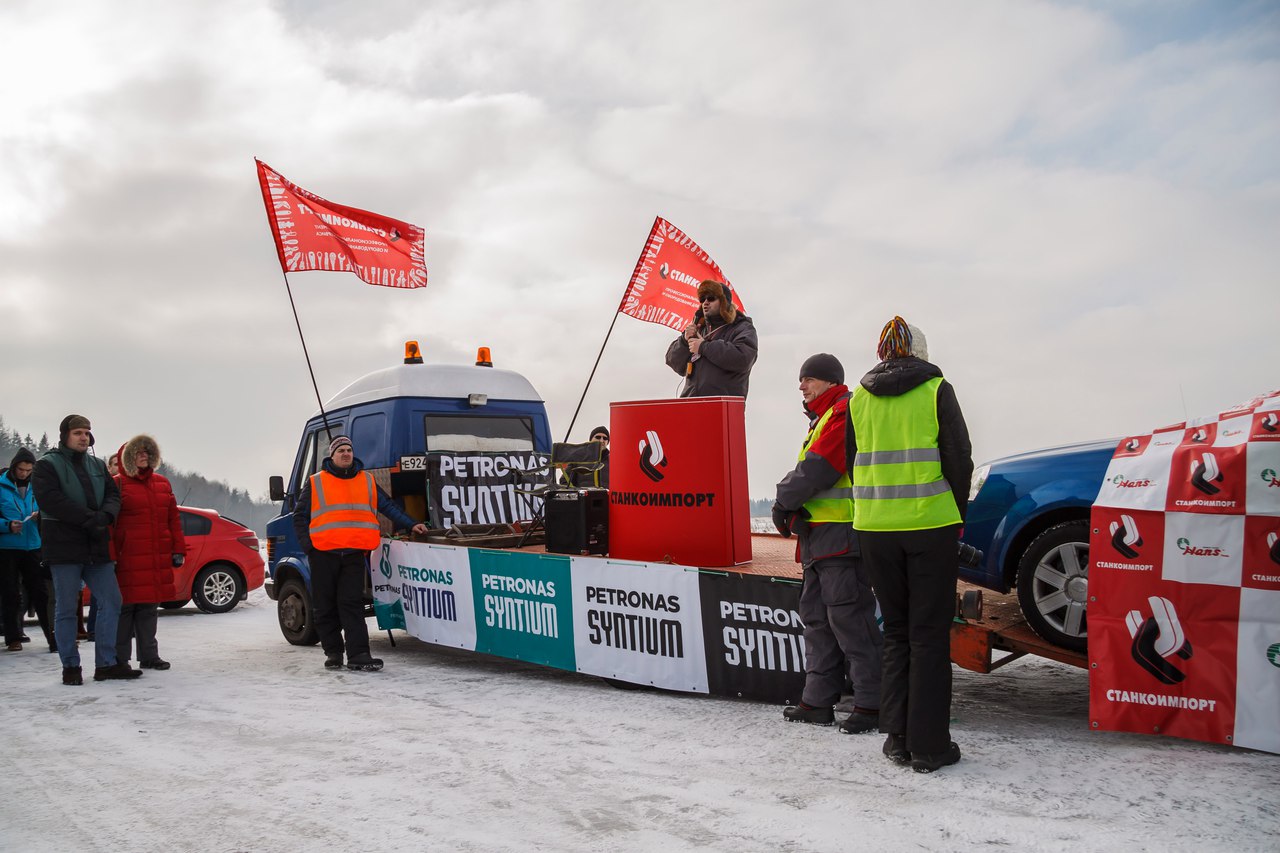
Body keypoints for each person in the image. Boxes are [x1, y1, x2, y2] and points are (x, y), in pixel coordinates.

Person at [847, 318, 973, 773]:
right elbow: (959, 457)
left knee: (896, 631)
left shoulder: (858, 398)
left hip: (875, 528)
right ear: (920, 351)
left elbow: (851, 461)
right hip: (929, 525)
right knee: (929, 636)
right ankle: (930, 746)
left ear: (882, 352)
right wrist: (956, 513)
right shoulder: (936, 389)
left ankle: (897, 738)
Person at [773, 354, 883, 734]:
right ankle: (818, 702)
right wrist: (795, 510)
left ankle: (872, 704)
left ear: (830, 381)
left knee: (850, 621)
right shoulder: (822, 418)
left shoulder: (843, 412)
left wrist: (783, 500)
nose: (801, 386)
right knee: (818, 621)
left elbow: (819, 467)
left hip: (841, 538)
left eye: (808, 378)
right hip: (819, 539)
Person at [293, 435, 429, 671]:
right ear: (332, 456)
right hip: (323, 554)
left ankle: (359, 655)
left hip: (354, 554)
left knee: (351, 605)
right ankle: (334, 653)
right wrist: (309, 547)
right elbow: (299, 517)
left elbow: (387, 506)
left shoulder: (366, 480)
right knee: (325, 606)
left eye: (349, 450)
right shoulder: (316, 482)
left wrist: (411, 523)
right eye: (341, 451)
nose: (346, 454)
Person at [32, 414, 139, 685]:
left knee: (111, 601)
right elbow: (50, 500)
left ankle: (106, 664)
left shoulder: (97, 464)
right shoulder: (47, 464)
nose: (84, 437)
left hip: (96, 545)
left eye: (87, 432)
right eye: (78, 432)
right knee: (67, 608)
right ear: (65, 435)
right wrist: (90, 518)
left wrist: (107, 516)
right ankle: (70, 666)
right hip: (63, 545)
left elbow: (113, 495)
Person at [112, 435, 185, 671]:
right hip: (127, 556)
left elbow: (173, 519)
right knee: (124, 609)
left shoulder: (162, 483)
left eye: (147, 452)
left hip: (155, 556)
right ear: (127, 458)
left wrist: (178, 548)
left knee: (149, 608)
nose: (143, 455)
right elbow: (108, 524)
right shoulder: (117, 484)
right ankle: (120, 659)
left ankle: (149, 656)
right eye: (138, 452)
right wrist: (111, 554)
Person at [665, 280, 758, 398]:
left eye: (711, 298)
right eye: (702, 299)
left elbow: (743, 358)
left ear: (724, 302)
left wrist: (704, 347)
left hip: (721, 404)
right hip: (691, 403)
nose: (705, 302)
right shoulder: (699, 329)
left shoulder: (742, 327)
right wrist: (684, 340)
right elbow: (672, 361)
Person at [1, 448, 54, 653]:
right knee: (10, 593)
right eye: (21, 469)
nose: (24, 473)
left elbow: (49, 509)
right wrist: (7, 525)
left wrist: (39, 516)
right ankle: (13, 637)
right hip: (7, 548)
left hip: (33, 546)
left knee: (41, 593)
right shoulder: (1, 486)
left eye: (28, 470)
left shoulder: (38, 486)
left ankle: (52, 637)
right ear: (14, 467)